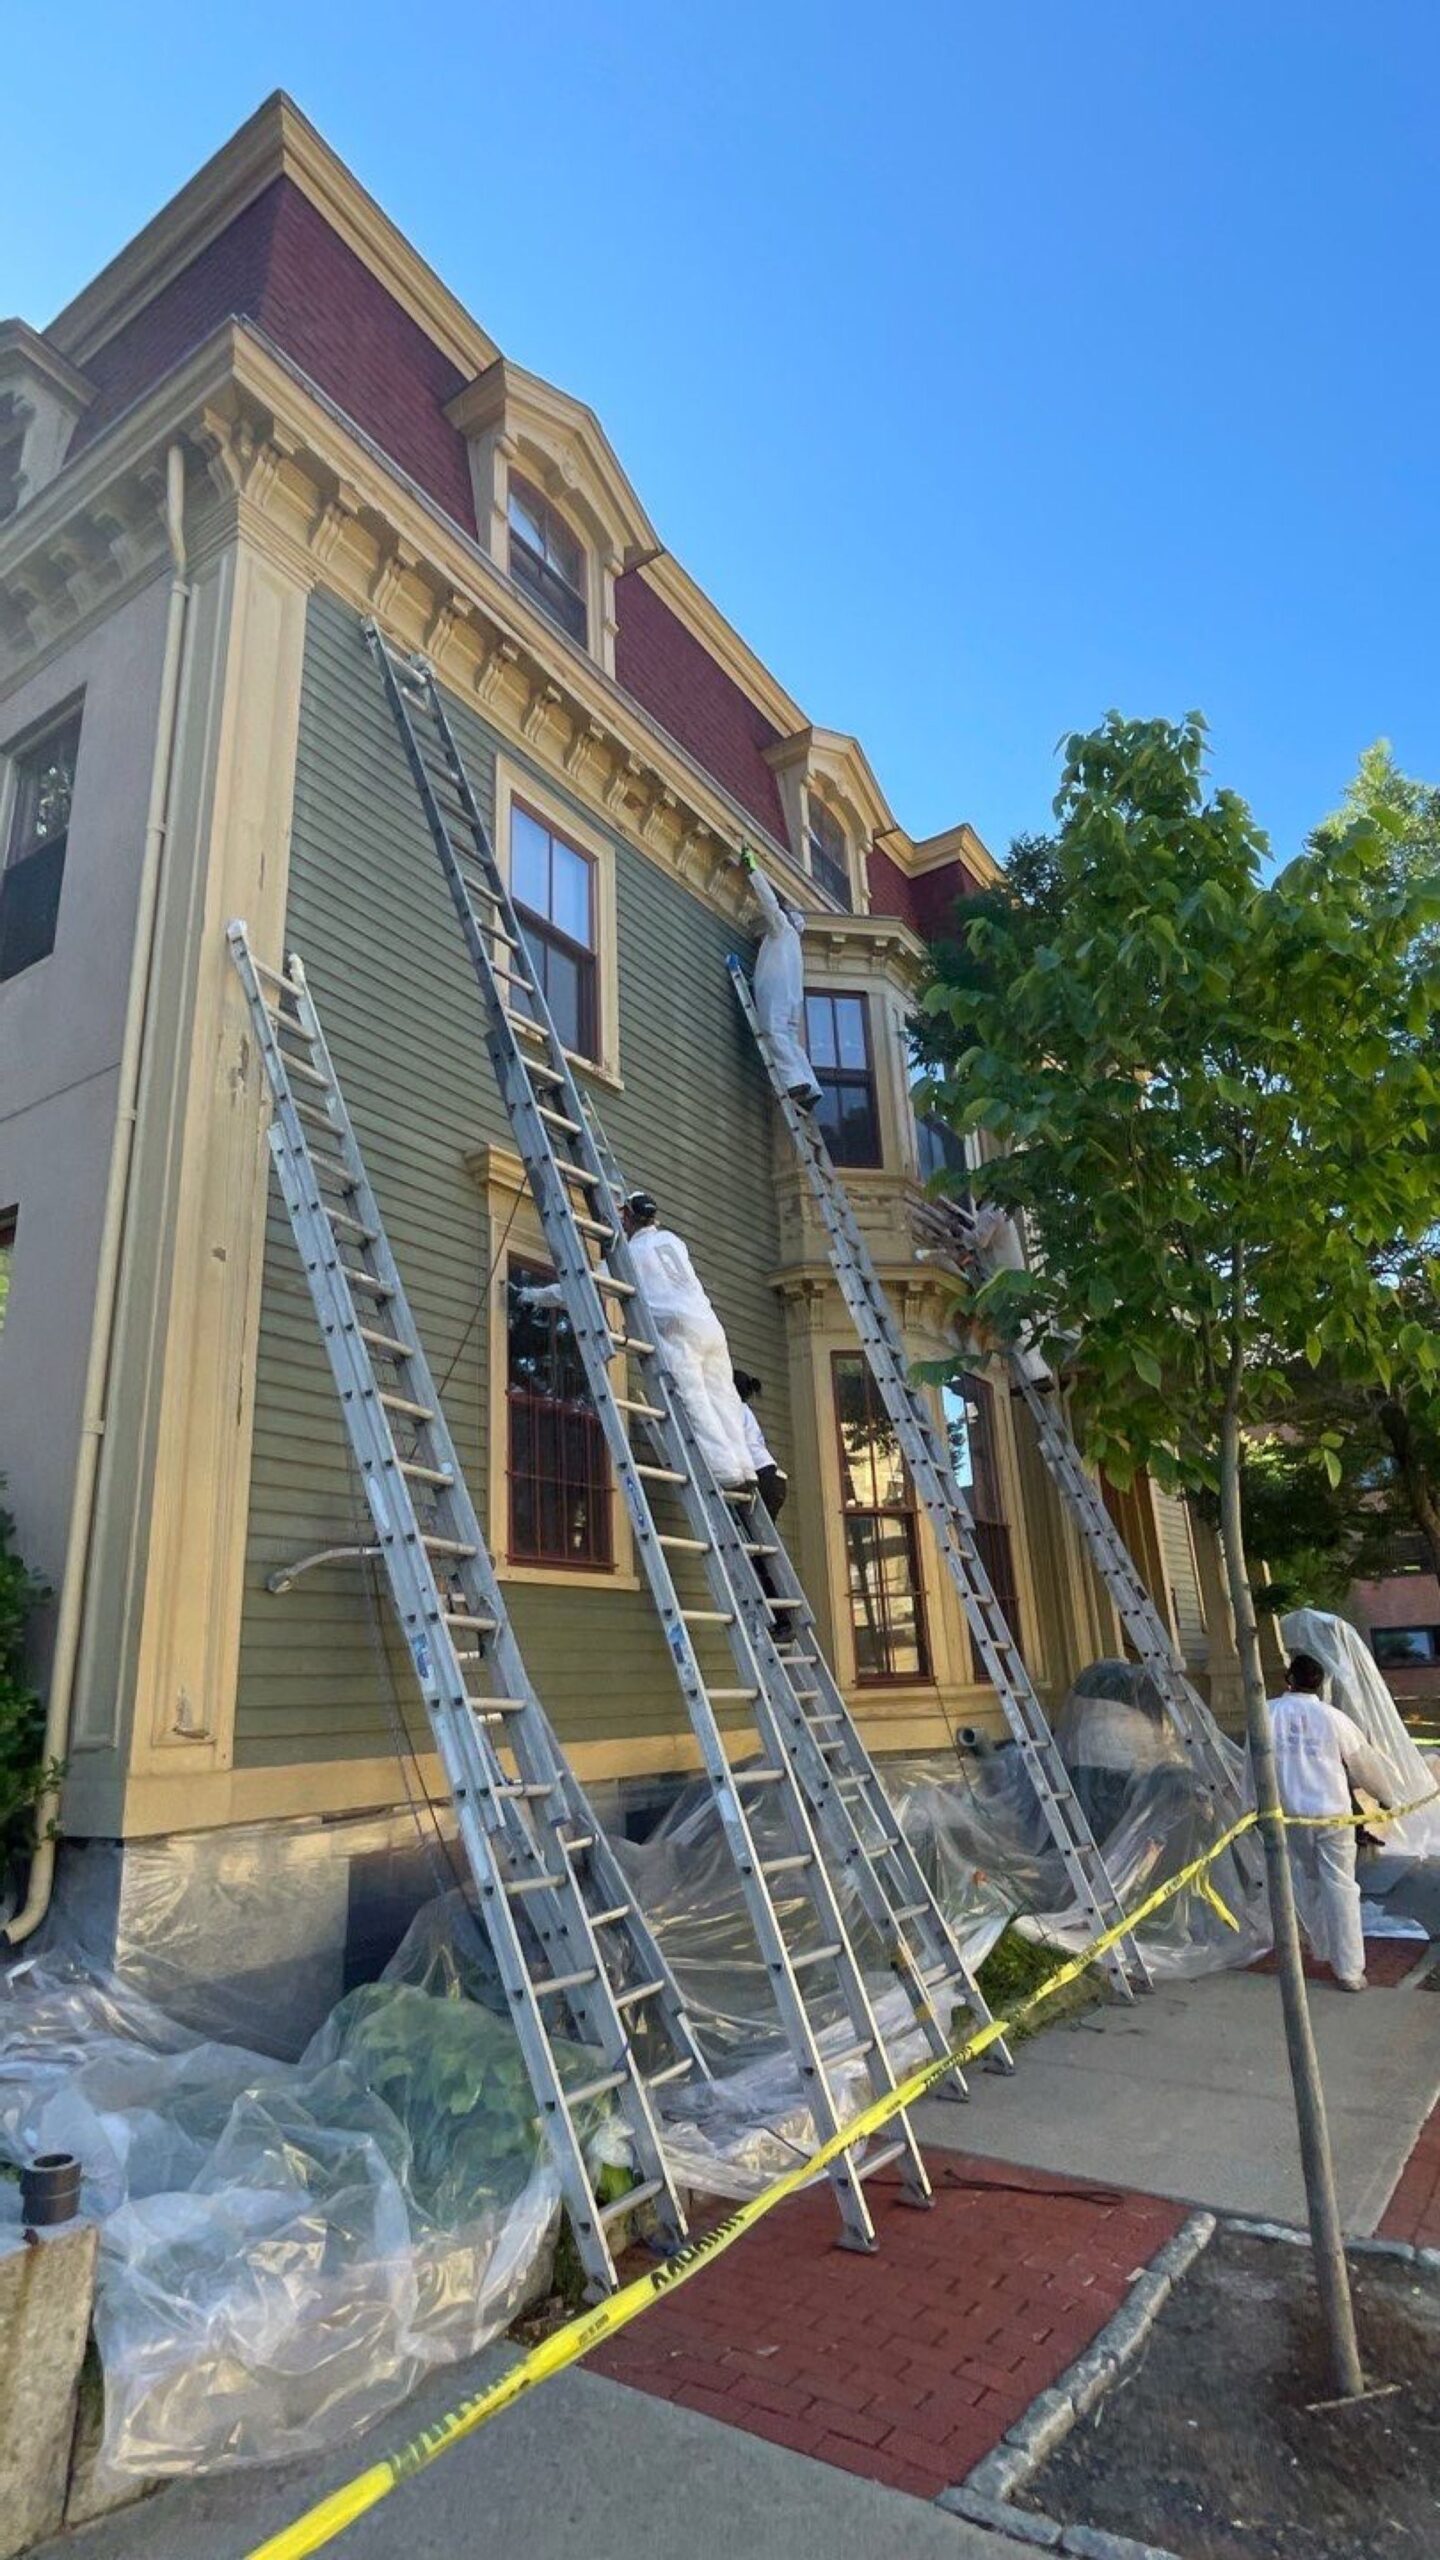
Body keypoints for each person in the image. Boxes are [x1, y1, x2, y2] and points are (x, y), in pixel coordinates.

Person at [1266, 1651, 1400, 1993]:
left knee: (1305, 1881)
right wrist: (1387, 1797)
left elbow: (1254, 1765)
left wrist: (1251, 1808)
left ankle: (1321, 1948)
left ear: (1288, 1679)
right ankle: (1350, 1969)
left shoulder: (1268, 1714)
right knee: (1340, 1887)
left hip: (1291, 1815)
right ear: (1320, 1683)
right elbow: (1363, 1762)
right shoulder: (1333, 1718)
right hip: (1333, 1815)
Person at [619, 1193, 757, 1491]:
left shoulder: (631, 1252)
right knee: (724, 1398)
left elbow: (599, 1280)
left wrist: (538, 1295)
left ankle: (725, 1470)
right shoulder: (672, 1241)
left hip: (678, 1329)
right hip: (709, 1324)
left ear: (628, 1217)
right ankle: (746, 1466)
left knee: (694, 1399)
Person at [739, 847, 821, 1108]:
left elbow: (769, 903)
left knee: (773, 1032)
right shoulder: (795, 945)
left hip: (776, 991)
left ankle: (794, 1081)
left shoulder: (782, 930)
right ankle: (811, 1086)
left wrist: (753, 870)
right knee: (790, 1039)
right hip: (792, 996)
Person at [732, 1370, 788, 1520]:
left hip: (762, 1478)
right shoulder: (746, 1412)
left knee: (743, 1522)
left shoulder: (733, 1409)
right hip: (776, 1480)